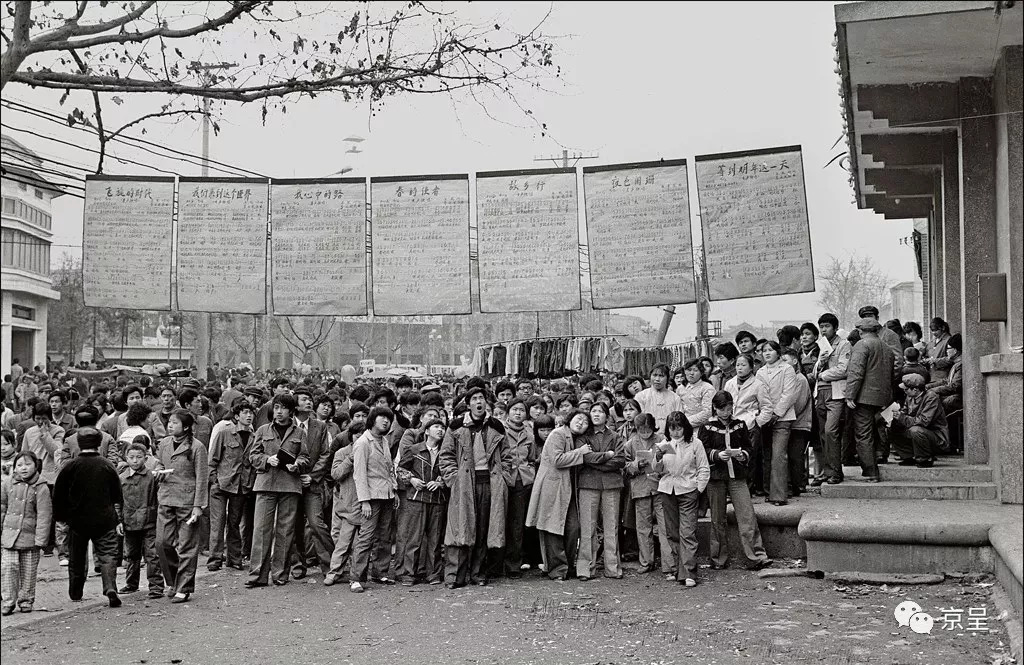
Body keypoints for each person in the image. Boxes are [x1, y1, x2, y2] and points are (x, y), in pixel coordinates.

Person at [439, 388, 511, 588]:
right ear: (468, 403)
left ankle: (478, 573)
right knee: (459, 527)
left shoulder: (496, 427)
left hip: (489, 483)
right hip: (463, 484)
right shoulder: (456, 427)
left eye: (482, 399)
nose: (479, 402)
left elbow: (507, 456)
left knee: (483, 527)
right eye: (474, 399)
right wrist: (454, 479)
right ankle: (455, 576)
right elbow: (446, 456)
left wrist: (503, 477)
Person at [699, 392, 771, 571]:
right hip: (716, 477)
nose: (726, 412)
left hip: (737, 476)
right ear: (715, 408)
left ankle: (756, 556)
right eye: (722, 408)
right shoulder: (707, 427)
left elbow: (748, 447)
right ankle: (718, 558)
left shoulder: (740, 425)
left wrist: (742, 455)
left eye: (729, 407)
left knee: (747, 515)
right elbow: (702, 450)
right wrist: (716, 455)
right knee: (717, 518)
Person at [52, 427, 124, 608]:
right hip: (105, 518)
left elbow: (59, 494)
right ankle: (110, 587)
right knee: (108, 554)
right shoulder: (107, 465)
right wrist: (118, 515)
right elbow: (117, 493)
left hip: (77, 520)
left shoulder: (70, 466)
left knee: (77, 556)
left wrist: (62, 516)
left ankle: (76, 591)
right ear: (99, 444)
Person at [246, 394, 309, 588]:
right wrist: (267, 459)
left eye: (283, 408)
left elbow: (306, 457)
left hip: (290, 485)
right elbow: (252, 455)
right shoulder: (263, 430)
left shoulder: (299, 433)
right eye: (276, 407)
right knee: (261, 531)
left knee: (285, 531)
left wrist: (297, 464)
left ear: (291, 411)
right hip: (265, 484)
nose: (279, 411)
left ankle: (280, 574)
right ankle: (257, 575)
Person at [525, 410, 591, 580]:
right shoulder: (558, 434)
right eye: (578, 418)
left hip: (568, 488)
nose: (581, 422)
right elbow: (558, 460)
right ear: (570, 419)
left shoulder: (576, 438)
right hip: (553, 486)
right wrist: (581, 453)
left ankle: (566, 566)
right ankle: (557, 569)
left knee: (572, 527)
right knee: (552, 528)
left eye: (585, 421)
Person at [154, 410, 208, 603]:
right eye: (169, 422)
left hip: (187, 501)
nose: (170, 426)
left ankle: (183, 588)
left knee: (187, 546)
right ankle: (174, 581)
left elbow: (202, 477)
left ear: (186, 427)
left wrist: (198, 505)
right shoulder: (164, 443)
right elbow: (160, 463)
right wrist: (159, 470)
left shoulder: (197, 447)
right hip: (166, 498)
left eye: (175, 423)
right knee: (162, 543)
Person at [653, 412, 709, 587]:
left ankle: (689, 572)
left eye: (679, 428)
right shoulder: (663, 445)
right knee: (672, 532)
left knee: (687, 531)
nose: (676, 432)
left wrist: (698, 489)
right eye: (672, 428)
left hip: (688, 489)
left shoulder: (695, 443)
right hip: (667, 489)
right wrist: (657, 458)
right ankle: (679, 568)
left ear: (685, 427)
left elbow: (703, 468)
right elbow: (656, 470)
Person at [394, 414, 449, 586]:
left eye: (442, 427)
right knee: (414, 537)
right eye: (436, 427)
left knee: (434, 539)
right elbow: (400, 469)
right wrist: (411, 479)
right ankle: (409, 574)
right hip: (416, 498)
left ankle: (433, 574)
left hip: (437, 499)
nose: (440, 430)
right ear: (426, 431)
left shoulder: (446, 451)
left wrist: (440, 482)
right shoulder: (414, 449)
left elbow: (451, 471)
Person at [349, 406, 398, 593]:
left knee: (384, 535)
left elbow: (389, 468)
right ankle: (356, 577)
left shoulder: (384, 440)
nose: (385, 421)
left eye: (388, 418)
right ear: (373, 419)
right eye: (381, 417)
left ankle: (380, 571)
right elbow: (359, 474)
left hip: (386, 494)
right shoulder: (363, 442)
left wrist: (393, 489)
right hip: (371, 496)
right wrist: (364, 501)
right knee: (366, 537)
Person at [576, 402, 626, 581]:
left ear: (607, 415)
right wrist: (606, 456)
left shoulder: (615, 435)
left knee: (611, 526)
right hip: (588, 483)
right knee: (587, 527)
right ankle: (585, 568)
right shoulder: (583, 435)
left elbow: (621, 459)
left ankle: (612, 567)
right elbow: (584, 457)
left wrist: (598, 464)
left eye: (601, 412)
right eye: (593, 411)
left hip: (611, 484)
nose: (596, 414)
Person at [289, 387, 334, 581]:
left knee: (317, 524)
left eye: (310, 399)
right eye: (304, 399)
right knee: (294, 525)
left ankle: (331, 565)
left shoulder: (319, 426)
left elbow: (325, 454)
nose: (308, 402)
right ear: (295, 404)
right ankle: (298, 564)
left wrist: (313, 476)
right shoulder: (287, 425)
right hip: (290, 483)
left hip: (313, 484)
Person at [207, 398, 255, 572]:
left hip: (241, 486)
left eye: (251, 413)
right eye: (245, 413)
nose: (249, 416)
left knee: (234, 523)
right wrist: (214, 480)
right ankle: (215, 558)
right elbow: (212, 459)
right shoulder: (224, 433)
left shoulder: (254, 437)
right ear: (236, 416)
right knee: (218, 522)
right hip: (221, 484)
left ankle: (234, 558)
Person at [1, 451, 51, 615]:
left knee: (28, 571)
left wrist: (41, 539)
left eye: (27, 464)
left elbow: (44, 515)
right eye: (19, 465)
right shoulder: (8, 484)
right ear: (14, 467)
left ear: (36, 465)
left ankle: (26, 600)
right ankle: (8, 601)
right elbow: (2, 507)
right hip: (9, 536)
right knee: (9, 568)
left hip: (30, 537)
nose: (23, 468)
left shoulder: (41, 487)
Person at [844, 318, 894, 482]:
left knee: (863, 434)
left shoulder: (861, 345)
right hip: (883, 397)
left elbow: (855, 373)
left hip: (864, 397)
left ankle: (871, 472)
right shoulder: (887, 348)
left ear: (860, 331)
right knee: (878, 430)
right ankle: (879, 458)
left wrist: (850, 395)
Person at [622, 413, 669, 575]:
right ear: (636, 428)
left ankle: (669, 563)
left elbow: (670, 460)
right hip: (640, 489)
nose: (645, 432)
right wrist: (637, 464)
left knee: (665, 526)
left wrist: (659, 460)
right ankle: (646, 561)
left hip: (659, 487)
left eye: (648, 429)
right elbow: (625, 467)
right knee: (643, 527)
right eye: (641, 429)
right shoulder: (630, 444)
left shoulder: (661, 439)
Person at [810, 313, 852, 487]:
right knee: (822, 435)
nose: (823, 330)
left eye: (826, 326)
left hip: (835, 394)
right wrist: (821, 364)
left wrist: (823, 374)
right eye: (821, 326)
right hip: (820, 393)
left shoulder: (844, 345)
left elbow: (844, 369)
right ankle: (826, 472)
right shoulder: (822, 346)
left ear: (835, 327)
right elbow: (814, 371)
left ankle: (836, 472)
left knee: (831, 431)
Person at [118, 441, 164, 599]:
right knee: (131, 554)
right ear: (126, 458)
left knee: (152, 555)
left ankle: (156, 586)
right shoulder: (122, 478)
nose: (135, 460)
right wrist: (118, 521)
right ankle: (131, 583)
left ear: (145, 458)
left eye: (139, 457)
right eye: (131, 457)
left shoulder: (152, 477)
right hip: (129, 522)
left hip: (149, 521)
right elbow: (117, 502)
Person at [756, 341, 799, 506]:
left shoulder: (787, 369)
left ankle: (779, 495)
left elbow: (789, 394)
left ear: (778, 353)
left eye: (770, 350)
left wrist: (776, 413)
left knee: (778, 456)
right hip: (765, 417)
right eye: (764, 351)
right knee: (767, 456)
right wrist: (765, 414)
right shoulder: (760, 371)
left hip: (783, 417)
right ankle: (769, 492)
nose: (767, 353)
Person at [498, 398, 536, 579]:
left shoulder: (529, 433)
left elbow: (533, 456)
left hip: (523, 480)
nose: (518, 413)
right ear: (508, 412)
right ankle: (496, 563)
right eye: (514, 409)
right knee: (500, 520)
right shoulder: (499, 430)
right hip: (503, 478)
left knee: (517, 523)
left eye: (522, 410)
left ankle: (514, 564)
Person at [725, 354, 773, 497]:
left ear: (751, 367)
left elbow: (767, 407)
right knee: (731, 456)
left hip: (749, 425)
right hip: (732, 425)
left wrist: (757, 422)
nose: (739, 368)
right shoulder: (730, 383)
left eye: (743, 365)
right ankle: (732, 491)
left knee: (747, 459)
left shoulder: (758, 384)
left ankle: (747, 490)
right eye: (738, 365)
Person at [322, 420, 364, 587]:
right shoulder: (341, 452)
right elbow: (336, 474)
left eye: (363, 434)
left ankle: (357, 574)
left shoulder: (371, 451)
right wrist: (351, 458)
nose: (360, 437)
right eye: (356, 434)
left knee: (361, 543)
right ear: (351, 436)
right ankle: (334, 572)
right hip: (347, 503)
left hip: (366, 502)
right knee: (343, 541)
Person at [891, 374, 949, 467]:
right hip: (919, 430)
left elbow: (924, 421)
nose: (904, 391)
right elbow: (905, 412)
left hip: (936, 436)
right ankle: (908, 457)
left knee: (915, 430)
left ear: (915, 389)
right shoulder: (909, 396)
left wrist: (902, 417)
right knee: (892, 427)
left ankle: (925, 458)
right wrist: (894, 417)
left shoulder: (931, 397)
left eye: (906, 389)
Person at [635, 364, 683, 432]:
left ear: (667, 378)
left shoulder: (675, 398)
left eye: (661, 376)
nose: (657, 379)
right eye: (654, 375)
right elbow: (638, 420)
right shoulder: (641, 396)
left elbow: (679, 420)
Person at [926, 333, 963, 413]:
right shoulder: (956, 363)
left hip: (957, 398)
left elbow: (954, 386)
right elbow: (947, 381)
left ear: (955, 350)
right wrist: (929, 386)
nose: (946, 351)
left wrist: (932, 390)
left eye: (948, 348)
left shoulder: (960, 364)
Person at [676, 359, 715, 429]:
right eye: (689, 370)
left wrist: (685, 422)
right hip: (681, 428)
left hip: (702, 428)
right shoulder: (680, 389)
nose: (691, 373)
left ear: (701, 373)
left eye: (695, 370)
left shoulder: (707, 388)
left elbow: (708, 412)